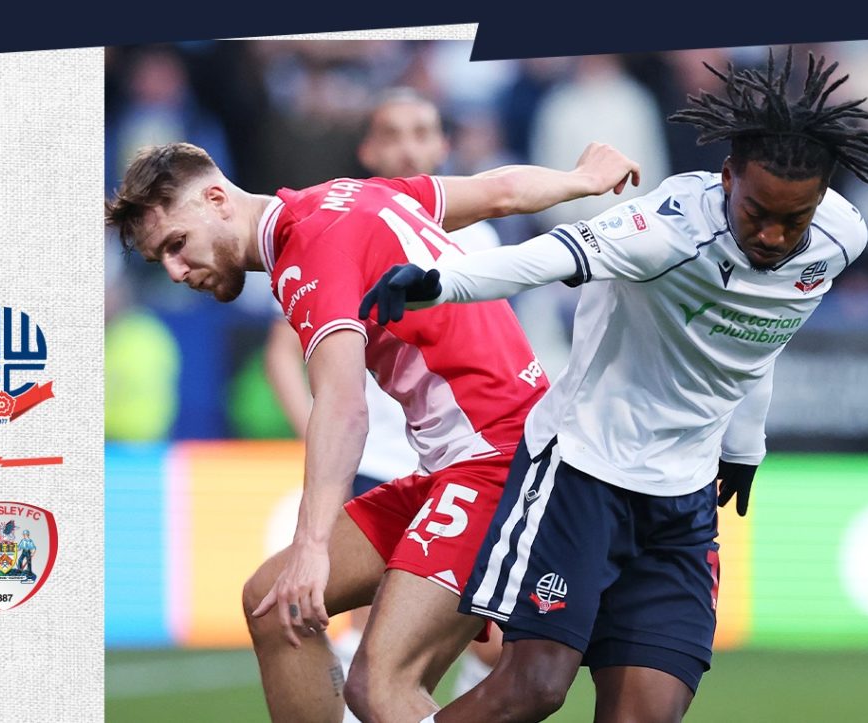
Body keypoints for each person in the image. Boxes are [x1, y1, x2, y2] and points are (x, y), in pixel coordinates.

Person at [360, 49, 868, 722]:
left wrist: (745, 446)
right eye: (758, 210)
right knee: (533, 688)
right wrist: (440, 280)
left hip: (681, 503)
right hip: (582, 474)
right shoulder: (667, 227)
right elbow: (549, 257)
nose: (774, 234)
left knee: (645, 713)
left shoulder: (838, 237)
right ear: (728, 176)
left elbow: (760, 339)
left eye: (796, 217)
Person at [105, 140, 639, 722]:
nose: (178, 271)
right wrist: (580, 177)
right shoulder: (348, 197)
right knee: (271, 604)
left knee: (381, 690)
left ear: (216, 199)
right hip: (459, 466)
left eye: (178, 245)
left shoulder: (307, 249)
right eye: (163, 261)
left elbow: (343, 404)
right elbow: (498, 192)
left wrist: (311, 548)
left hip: (500, 461)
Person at [262, 88, 505, 709]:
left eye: (423, 132)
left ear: (443, 145)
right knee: (378, 653)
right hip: (376, 462)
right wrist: (319, 442)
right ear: (369, 149)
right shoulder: (344, 231)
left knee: (485, 648)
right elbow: (282, 352)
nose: (409, 147)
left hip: (463, 461)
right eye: (393, 134)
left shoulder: (485, 245)